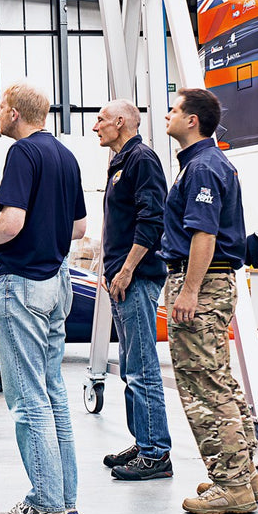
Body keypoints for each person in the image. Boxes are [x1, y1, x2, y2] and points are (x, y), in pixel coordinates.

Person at [0, 81, 85, 514]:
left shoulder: (22, 154)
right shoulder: (66, 156)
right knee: (52, 394)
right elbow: (78, 228)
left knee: (27, 398)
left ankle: (44, 502)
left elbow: (10, 222)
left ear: (14, 112)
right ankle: (64, 497)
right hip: (57, 281)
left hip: (22, 284)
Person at [160, 88, 258, 514]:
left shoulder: (203, 167)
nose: (167, 115)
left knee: (203, 384)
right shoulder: (201, 164)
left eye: (174, 109)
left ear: (192, 120)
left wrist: (189, 291)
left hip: (201, 280)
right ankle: (244, 477)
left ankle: (233, 486)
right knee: (217, 377)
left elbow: (205, 234)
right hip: (210, 281)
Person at [92, 99, 172, 481]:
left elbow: (152, 219)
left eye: (101, 120)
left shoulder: (142, 159)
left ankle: (157, 453)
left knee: (141, 368)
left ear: (121, 121)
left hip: (137, 277)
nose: (95, 127)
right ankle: (144, 441)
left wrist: (125, 269)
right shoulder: (119, 162)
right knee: (129, 366)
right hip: (121, 275)